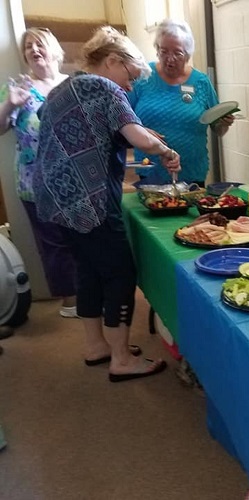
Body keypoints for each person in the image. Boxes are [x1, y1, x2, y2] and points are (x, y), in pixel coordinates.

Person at [32, 26, 181, 382]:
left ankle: (97, 345)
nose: (129, 87)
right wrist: (166, 151)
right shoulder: (103, 86)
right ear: (113, 61)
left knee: (89, 270)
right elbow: (138, 138)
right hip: (89, 200)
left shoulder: (62, 88)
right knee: (119, 272)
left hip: (54, 198)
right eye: (130, 77)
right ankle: (121, 359)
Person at [0, 27, 77, 318]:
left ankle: (88, 294)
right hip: (34, 182)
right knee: (52, 244)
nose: (34, 50)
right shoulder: (18, 87)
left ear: (55, 51)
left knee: (80, 239)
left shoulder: (73, 85)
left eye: (39, 44)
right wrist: (10, 103)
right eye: (28, 47)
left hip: (75, 181)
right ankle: (70, 302)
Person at [128, 18, 234, 186]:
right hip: (151, 170)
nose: (170, 59)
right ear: (156, 50)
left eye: (177, 53)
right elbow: (122, 119)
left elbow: (218, 129)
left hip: (191, 171)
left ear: (188, 54)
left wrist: (224, 122)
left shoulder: (201, 82)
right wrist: (140, 130)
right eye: (164, 51)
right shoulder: (142, 77)